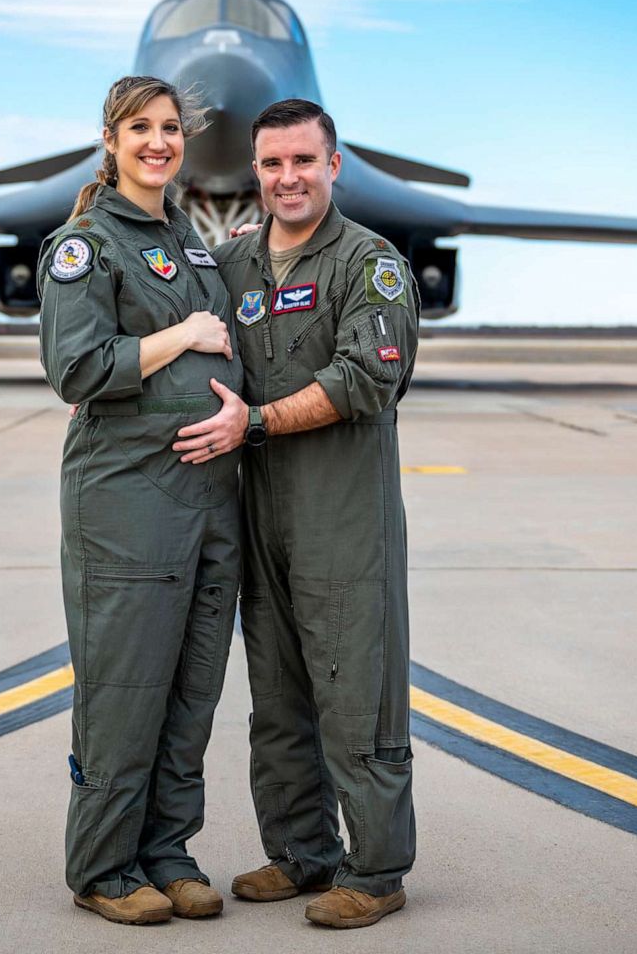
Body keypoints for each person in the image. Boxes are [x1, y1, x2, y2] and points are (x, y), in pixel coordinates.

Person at [173, 99, 420, 929]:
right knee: (277, 699)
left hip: (342, 520)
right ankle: (302, 853)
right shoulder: (234, 264)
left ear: (334, 164)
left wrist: (261, 421)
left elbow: (364, 378)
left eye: (304, 162)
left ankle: (376, 871)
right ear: (256, 171)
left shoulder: (368, 263)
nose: (288, 178)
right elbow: (179, 342)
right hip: (260, 517)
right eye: (273, 164)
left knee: (356, 696)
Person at [37, 75, 244, 926]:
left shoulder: (192, 245)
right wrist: (186, 334)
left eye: (169, 129)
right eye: (140, 129)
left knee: (192, 690)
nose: (158, 143)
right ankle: (103, 866)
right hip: (127, 501)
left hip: (206, 500)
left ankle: (168, 850)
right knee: (124, 689)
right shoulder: (85, 245)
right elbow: (77, 369)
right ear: (111, 139)